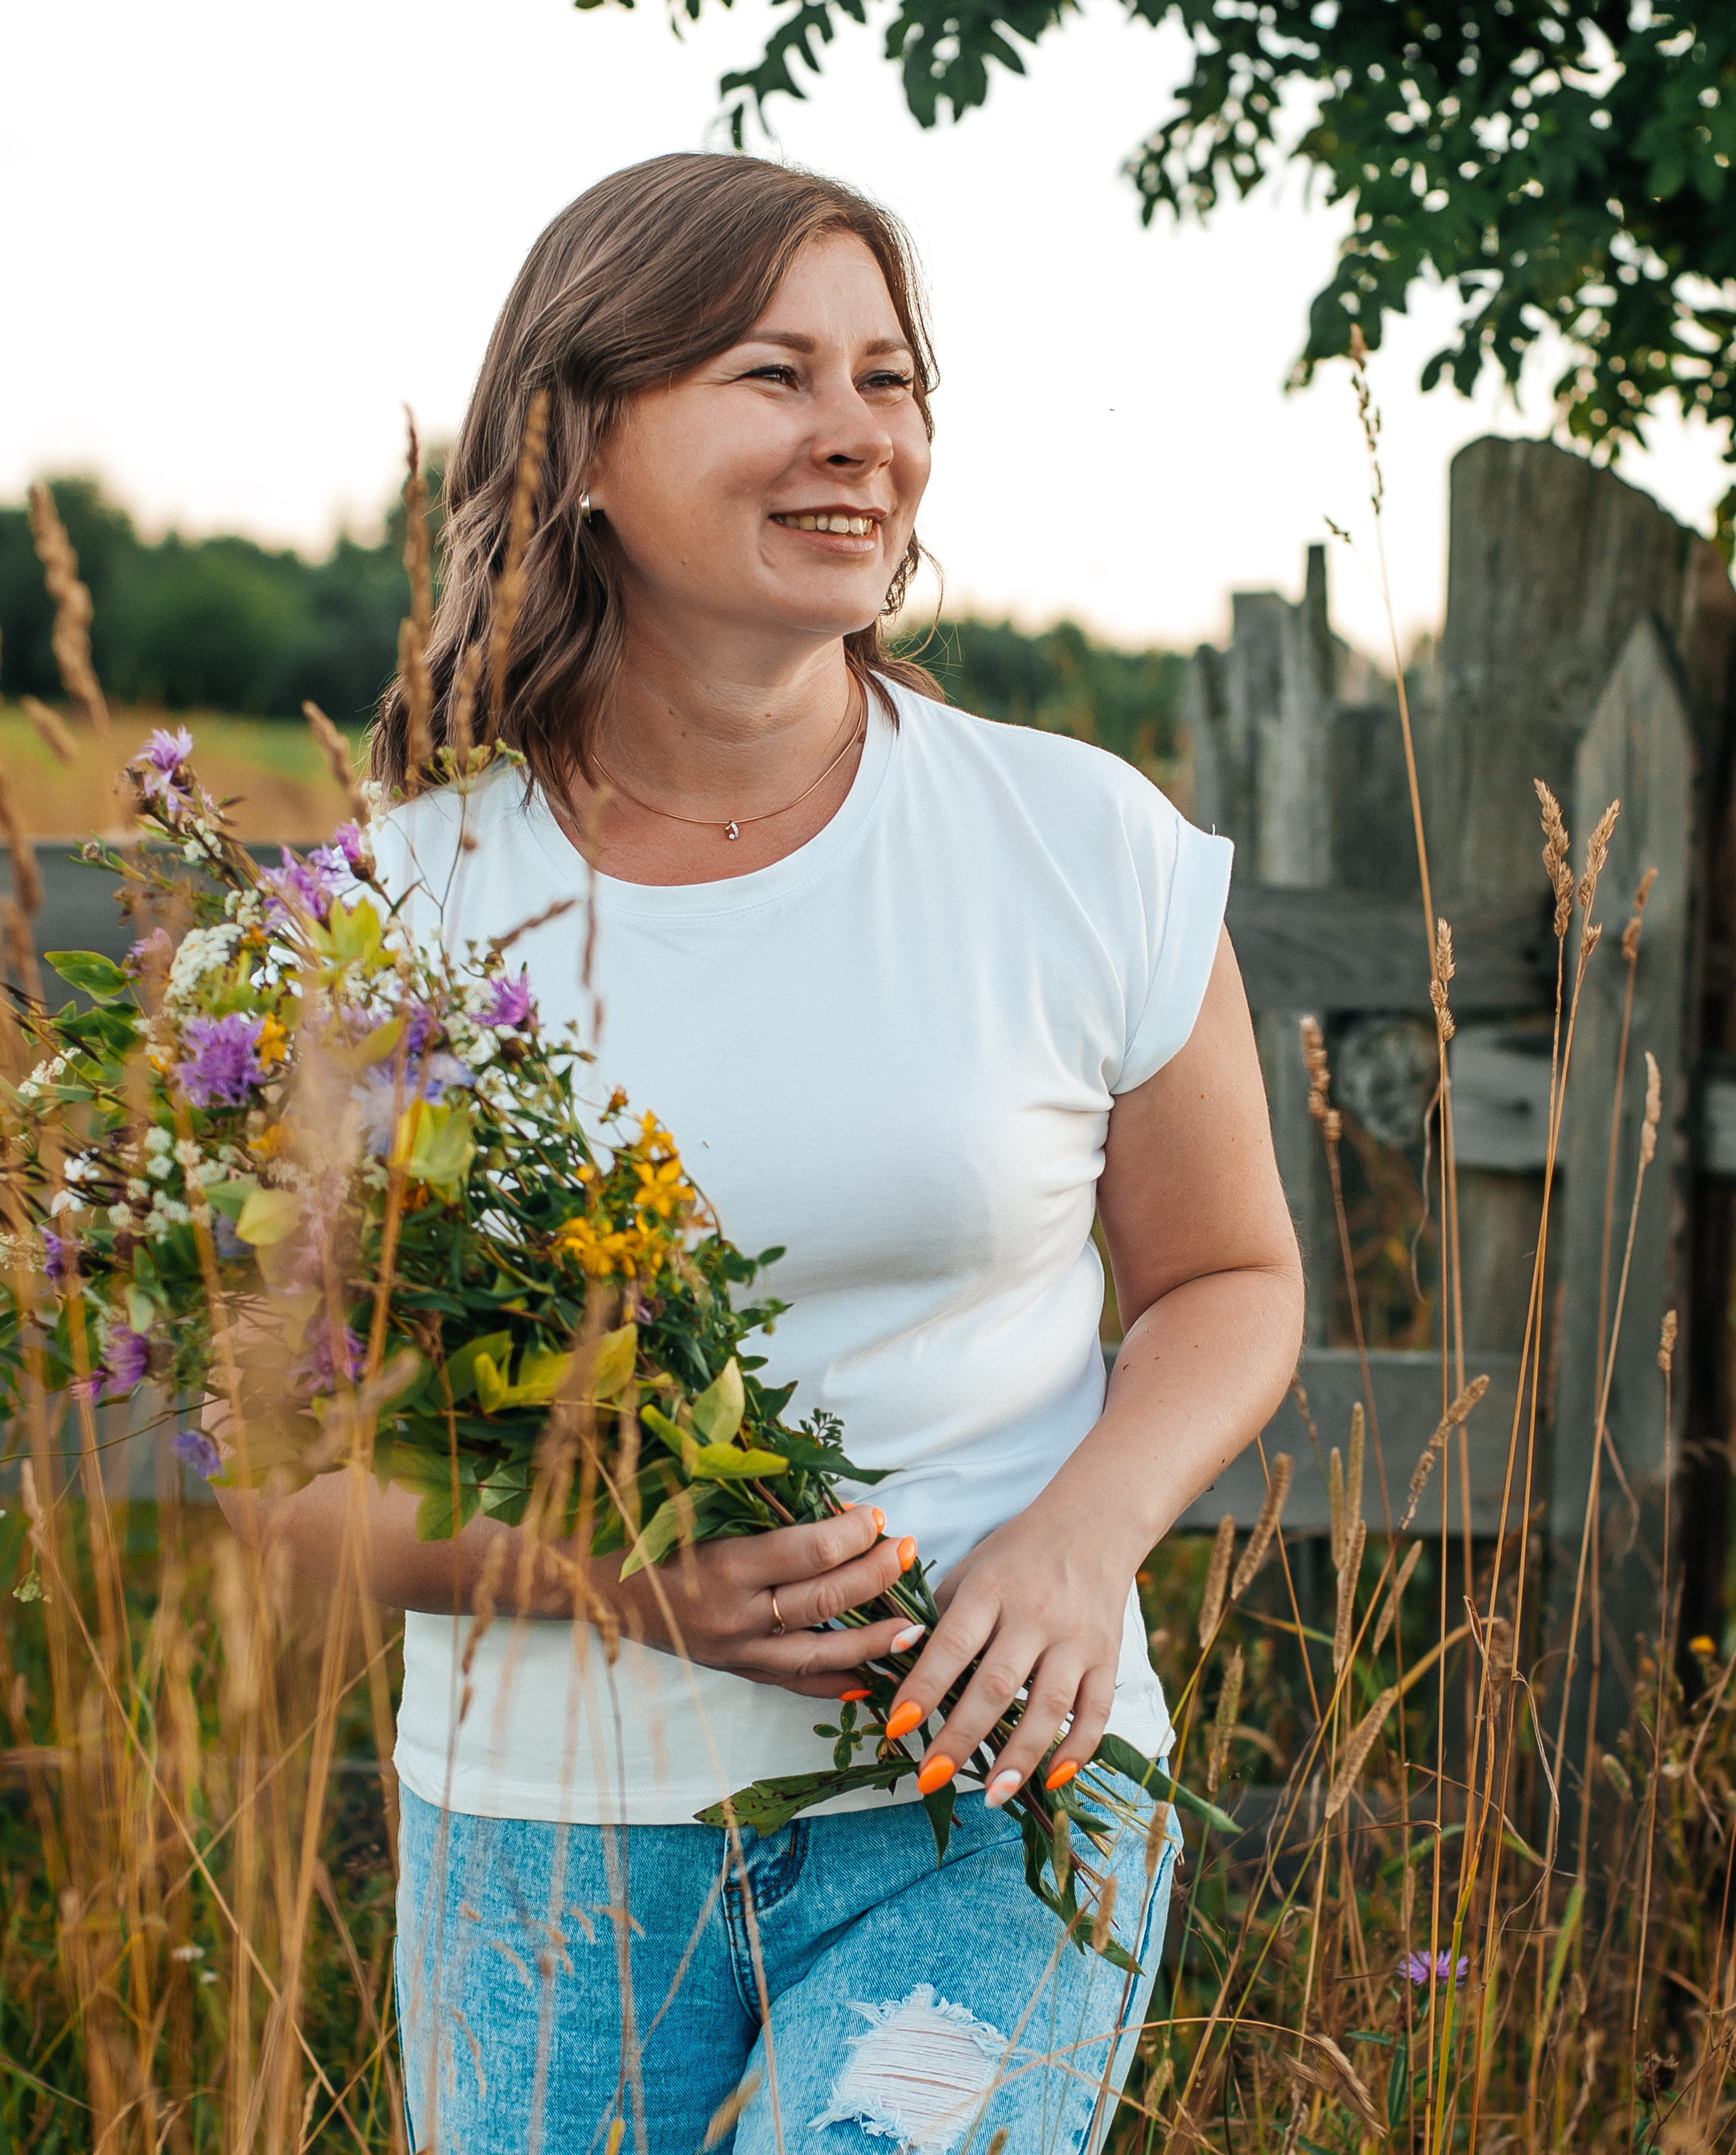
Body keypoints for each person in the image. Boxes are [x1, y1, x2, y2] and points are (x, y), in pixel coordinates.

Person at [218, 152, 1303, 2154]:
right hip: (546, 1848)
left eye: (891, 381)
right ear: (579, 443)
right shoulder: (401, 913)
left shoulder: (1084, 848)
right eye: (774, 372)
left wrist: (1083, 1537)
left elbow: (1229, 1281)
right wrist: (619, 1584)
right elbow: (284, 1483)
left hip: (994, 1802)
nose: (859, 438)